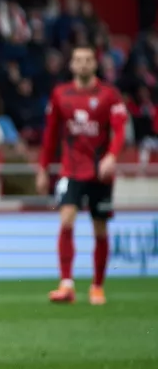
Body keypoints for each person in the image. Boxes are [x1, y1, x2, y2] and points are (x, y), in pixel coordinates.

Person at [36, 46, 127, 305]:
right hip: (71, 170)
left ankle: (97, 286)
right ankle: (66, 284)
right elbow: (50, 135)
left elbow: (119, 130)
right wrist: (43, 169)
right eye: (78, 60)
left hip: (100, 172)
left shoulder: (110, 95)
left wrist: (112, 155)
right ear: (72, 65)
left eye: (88, 60)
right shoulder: (60, 94)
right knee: (66, 220)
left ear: (94, 65)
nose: (83, 64)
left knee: (100, 228)